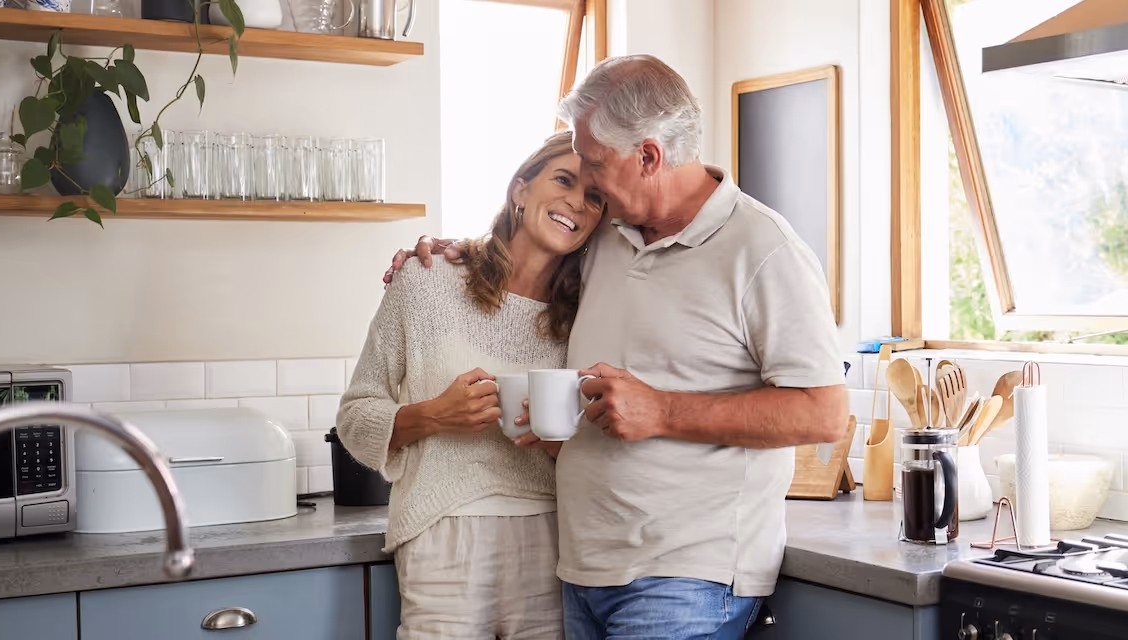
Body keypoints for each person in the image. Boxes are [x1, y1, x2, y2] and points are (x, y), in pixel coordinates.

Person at [387, 54, 851, 640]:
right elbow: (532, 239)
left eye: (595, 162)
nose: (586, 178)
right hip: (584, 570)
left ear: (648, 157)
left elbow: (824, 412)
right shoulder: (608, 234)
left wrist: (663, 410)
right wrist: (458, 253)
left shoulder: (763, 251)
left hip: (687, 577)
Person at [340, 131, 603, 639]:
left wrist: (554, 440)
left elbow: (598, 441)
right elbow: (355, 416)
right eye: (564, 180)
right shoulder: (427, 280)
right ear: (520, 191)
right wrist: (436, 415)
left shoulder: (590, 314)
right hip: (442, 534)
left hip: (553, 539)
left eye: (594, 196)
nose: (577, 201)